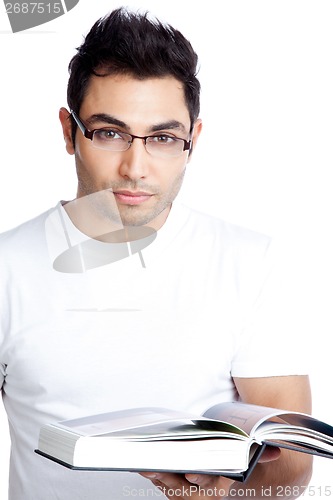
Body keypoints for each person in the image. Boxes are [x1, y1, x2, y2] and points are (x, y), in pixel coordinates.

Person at [0, 7, 312, 500]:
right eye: (109, 133)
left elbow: (293, 466)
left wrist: (224, 492)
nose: (135, 167)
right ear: (68, 132)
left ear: (193, 142)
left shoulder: (251, 263)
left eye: (164, 138)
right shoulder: (7, 267)